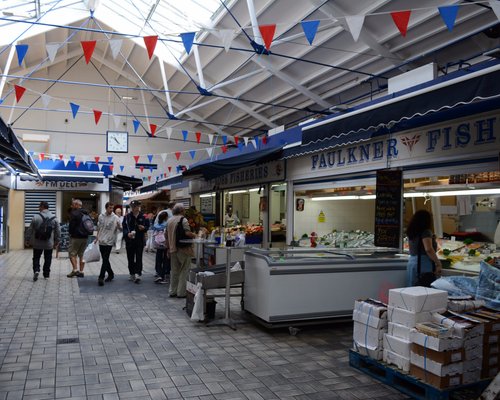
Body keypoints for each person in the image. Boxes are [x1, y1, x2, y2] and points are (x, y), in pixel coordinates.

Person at [165, 203, 195, 298]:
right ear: (181, 211)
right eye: (184, 210)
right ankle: (181, 292)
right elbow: (187, 233)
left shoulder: (169, 220)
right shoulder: (183, 220)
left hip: (172, 248)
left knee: (174, 271)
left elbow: (166, 236)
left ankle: (172, 291)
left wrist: (168, 248)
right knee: (184, 270)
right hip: (183, 249)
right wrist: (195, 235)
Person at [25, 201, 60, 281]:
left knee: (36, 257)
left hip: (37, 242)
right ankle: (46, 275)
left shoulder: (35, 217)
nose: (38, 208)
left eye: (39, 206)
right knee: (48, 258)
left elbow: (30, 230)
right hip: (49, 243)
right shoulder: (54, 218)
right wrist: (57, 240)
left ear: (42, 207)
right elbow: (58, 231)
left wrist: (27, 239)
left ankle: (36, 270)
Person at [406, 209, 442, 286]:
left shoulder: (412, 232)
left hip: (412, 263)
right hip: (423, 264)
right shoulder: (426, 232)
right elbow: (428, 249)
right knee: (424, 290)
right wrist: (438, 263)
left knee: (412, 290)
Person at [122, 200, 149, 283]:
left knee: (139, 257)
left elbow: (147, 226)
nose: (134, 208)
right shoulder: (127, 217)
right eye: (132, 207)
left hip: (139, 240)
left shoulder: (144, 216)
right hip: (130, 240)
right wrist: (127, 234)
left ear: (138, 207)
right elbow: (124, 227)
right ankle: (132, 273)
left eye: (135, 206)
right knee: (130, 258)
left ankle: (138, 274)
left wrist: (143, 228)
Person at [96, 202, 122, 286]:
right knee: (105, 259)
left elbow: (121, 229)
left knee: (105, 258)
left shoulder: (116, 218)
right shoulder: (101, 216)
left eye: (112, 208)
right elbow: (99, 227)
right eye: (110, 208)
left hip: (110, 241)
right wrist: (97, 238)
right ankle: (111, 274)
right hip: (101, 241)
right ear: (106, 208)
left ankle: (101, 277)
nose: (111, 209)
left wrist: (119, 226)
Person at [67, 199, 91, 278]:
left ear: (77, 205)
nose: (72, 206)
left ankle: (75, 270)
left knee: (72, 253)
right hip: (85, 237)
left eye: (73, 205)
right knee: (82, 254)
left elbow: (71, 226)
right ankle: (81, 271)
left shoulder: (74, 213)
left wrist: (70, 233)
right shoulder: (87, 213)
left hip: (76, 237)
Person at [153, 211, 169, 284]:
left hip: (158, 244)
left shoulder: (156, 225)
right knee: (165, 259)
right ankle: (163, 275)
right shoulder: (167, 225)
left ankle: (159, 273)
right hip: (165, 243)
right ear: (166, 217)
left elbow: (153, 234)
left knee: (158, 258)